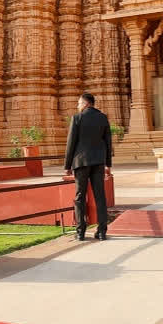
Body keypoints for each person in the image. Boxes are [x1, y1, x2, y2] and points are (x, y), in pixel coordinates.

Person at [64, 92, 112, 241]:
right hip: (98, 162)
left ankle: (81, 232)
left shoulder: (77, 118)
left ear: (85, 103)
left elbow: (71, 143)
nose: (77, 106)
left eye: (78, 103)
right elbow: (108, 143)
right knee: (100, 197)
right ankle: (102, 231)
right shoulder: (103, 118)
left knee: (80, 196)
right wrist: (108, 164)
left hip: (81, 162)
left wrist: (67, 165)